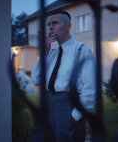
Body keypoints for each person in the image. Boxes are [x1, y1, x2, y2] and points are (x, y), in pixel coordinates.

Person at [31, 10, 96, 142]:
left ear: (68, 26)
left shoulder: (82, 50)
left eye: (55, 23)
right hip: (48, 104)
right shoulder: (52, 53)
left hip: (68, 105)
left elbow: (90, 89)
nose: (50, 27)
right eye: (49, 24)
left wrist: (75, 116)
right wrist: (44, 54)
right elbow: (36, 80)